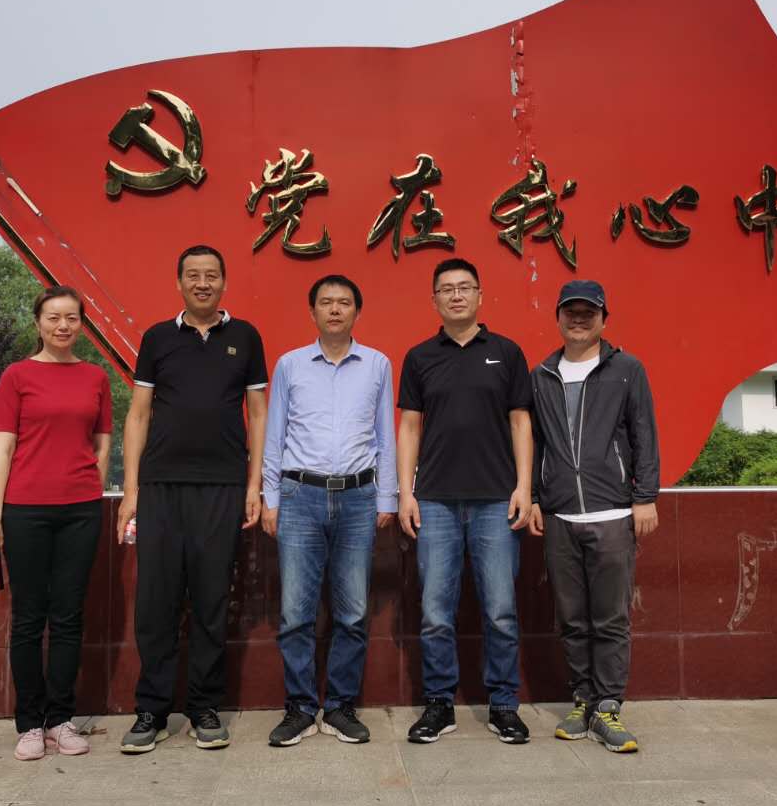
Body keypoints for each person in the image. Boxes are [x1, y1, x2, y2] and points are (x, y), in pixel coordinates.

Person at [118, 245, 268, 753]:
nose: (202, 283)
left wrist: (253, 484)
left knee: (210, 599)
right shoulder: (157, 338)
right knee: (155, 602)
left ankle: (204, 706)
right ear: (179, 282)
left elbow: (258, 414)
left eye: (211, 275)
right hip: (160, 486)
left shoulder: (245, 337)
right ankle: (151, 711)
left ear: (224, 282)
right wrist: (131, 490)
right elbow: (138, 414)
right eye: (193, 275)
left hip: (222, 486)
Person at [397, 257, 534, 744]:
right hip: (435, 500)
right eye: (446, 289)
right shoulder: (419, 357)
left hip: (496, 500)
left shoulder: (506, 352)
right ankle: (439, 703)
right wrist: (406, 492)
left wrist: (524, 487)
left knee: (500, 610)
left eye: (464, 287)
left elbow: (521, 422)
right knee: (436, 611)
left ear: (480, 295)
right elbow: (409, 427)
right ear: (434, 299)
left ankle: (503, 704)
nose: (456, 295)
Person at [0, 285, 112, 762]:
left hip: (81, 510)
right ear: (38, 323)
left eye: (71, 318)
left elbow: (102, 445)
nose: (62, 326)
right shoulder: (16, 376)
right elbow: (3, 450)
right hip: (25, 509)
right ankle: (30, 723)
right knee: (30, 618)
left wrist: (89, 486)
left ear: (81, 325)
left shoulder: (95, 377)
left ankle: (61, 720)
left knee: (69, 617)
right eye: (54, 317)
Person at [261, 274, 396, 746]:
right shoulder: (290, 365)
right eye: (326, 302)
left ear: (357, 311)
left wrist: (387, 497)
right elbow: (274, 435)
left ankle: (340, 706)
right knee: (295, 612)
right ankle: (300, 708)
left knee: (353, 611)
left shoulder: (377, 364)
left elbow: (386, 435)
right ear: (312, 311)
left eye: (344, 303)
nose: (335, 310)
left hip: (358, 498)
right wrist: (270, 498)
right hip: (300, 496)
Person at [528, 280, 660, 753]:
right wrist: (535, 497)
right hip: (560, 515)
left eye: (589, 312)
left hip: (613, 512)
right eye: (571, 312)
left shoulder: (626, 369)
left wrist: (645, 497)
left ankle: (608, 706)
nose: (579, 319)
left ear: (604, 318)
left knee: (610, 619)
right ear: (558, 318)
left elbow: (644, 433)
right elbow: (535, 442)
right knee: (571, 618)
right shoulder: (542, 374)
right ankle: (582, 700)